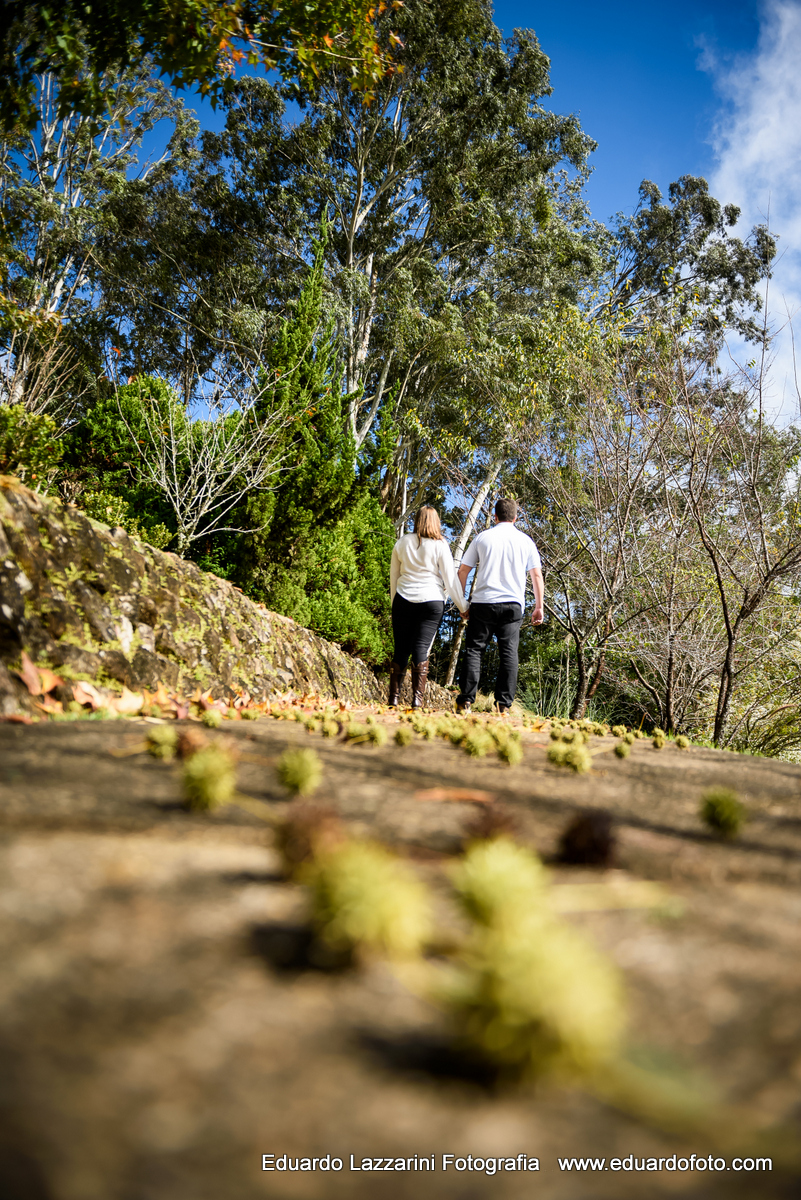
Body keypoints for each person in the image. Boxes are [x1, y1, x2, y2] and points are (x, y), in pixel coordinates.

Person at [455, 497, 544, 714]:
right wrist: (539, 606)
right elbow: (536, 575)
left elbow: (462, 571)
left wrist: (462, 602)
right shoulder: (526, 541)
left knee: (475, 649)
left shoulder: (482, 538)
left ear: (495, 516)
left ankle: (466, 701)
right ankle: (503, 705)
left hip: (483, 603)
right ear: (515, 517)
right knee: (509, 653)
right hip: (513, 605)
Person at [389, 506, 469, 708]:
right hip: (431, 601)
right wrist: (463, 606)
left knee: (401, 649)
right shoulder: (441, 545)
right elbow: (450, 580)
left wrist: (394, 604)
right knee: (420, 648)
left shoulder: (402, 542)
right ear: (436, 522)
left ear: (417, 520)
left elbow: (394, 578)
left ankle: (393, 698)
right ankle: (417, 700)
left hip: (403, 599)